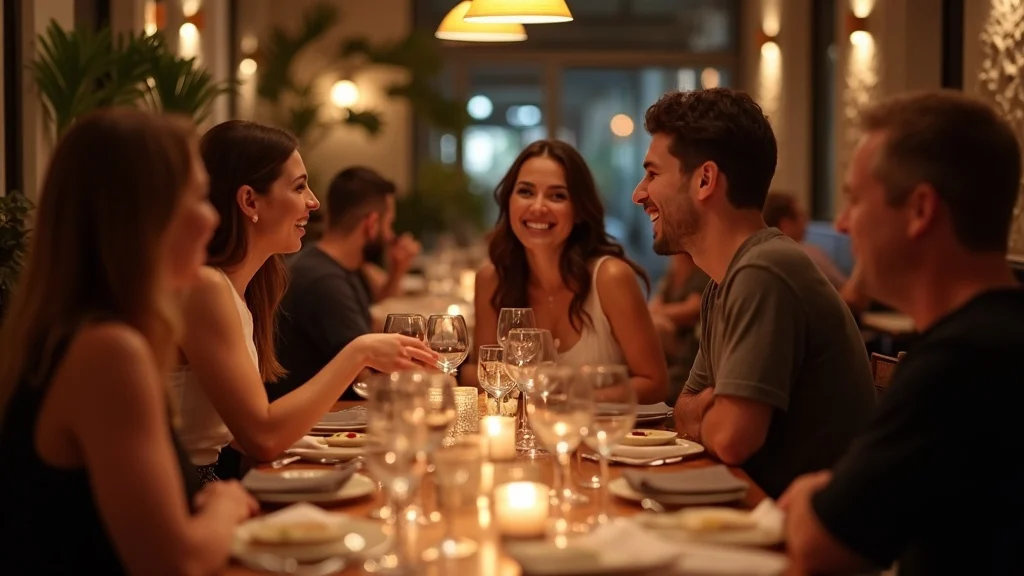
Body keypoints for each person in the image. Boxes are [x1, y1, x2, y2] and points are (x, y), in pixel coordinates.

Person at [0, 109, 256, 573]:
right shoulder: (108, 352)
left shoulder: (68, 333)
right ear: (141, 217)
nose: (212, 218)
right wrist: (226, 503)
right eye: (196, 197)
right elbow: (176, 562)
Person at [781, 91, 1024, 575]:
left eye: (853, 200)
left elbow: (822, 547)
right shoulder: (999, 336)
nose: (844, 225)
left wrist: (812, 493)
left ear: (920, 210)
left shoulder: (958, 364)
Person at [633, 88, 875, 498]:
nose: (640, 193)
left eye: (653, 174)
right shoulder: (724, 280)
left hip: (798, 543)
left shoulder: (764, 271)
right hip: (756, 511)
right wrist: (711, 404)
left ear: (705, 180)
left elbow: (729, 438)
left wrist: (706, 410)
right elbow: (683, 407)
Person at [175, 120, 436, 481]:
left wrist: (322, 449)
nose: (313, 202)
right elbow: (261, 437)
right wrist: (359, 352)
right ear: (250, 200)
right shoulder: (206, 288)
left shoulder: (241, 288)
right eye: (299, 187)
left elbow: (238, 431)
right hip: (186, 493)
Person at [469, 139, 668, 404]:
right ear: (508, 202)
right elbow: (479, 370)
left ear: (579, 211)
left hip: (606, 441)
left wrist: (569, 399)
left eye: (557, 196)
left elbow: (655, 384)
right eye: (526, 192)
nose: (538, 207)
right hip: (524, 441)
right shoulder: (492, 279)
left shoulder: (610, 278)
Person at [271, 166, 419, 402]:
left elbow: (371, 318)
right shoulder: (324, 281)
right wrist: (436, 380)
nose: (391, 235)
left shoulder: (338, 265)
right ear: (371, 224)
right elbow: (366, 376)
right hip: (321, 426)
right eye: (389, 224)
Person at [763, 192, 870, 313]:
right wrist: (867, 253)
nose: (806, 220)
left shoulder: (761, 257)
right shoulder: (806, 254)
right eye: (802, 215)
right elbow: (852, 298)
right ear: (786, 225)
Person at [649, 253, 710, 404]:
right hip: (672, 347)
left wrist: (658, 314)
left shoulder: (701, 271)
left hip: (688, 348)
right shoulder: (672, 273)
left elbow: (692, 309)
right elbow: (654, 305)